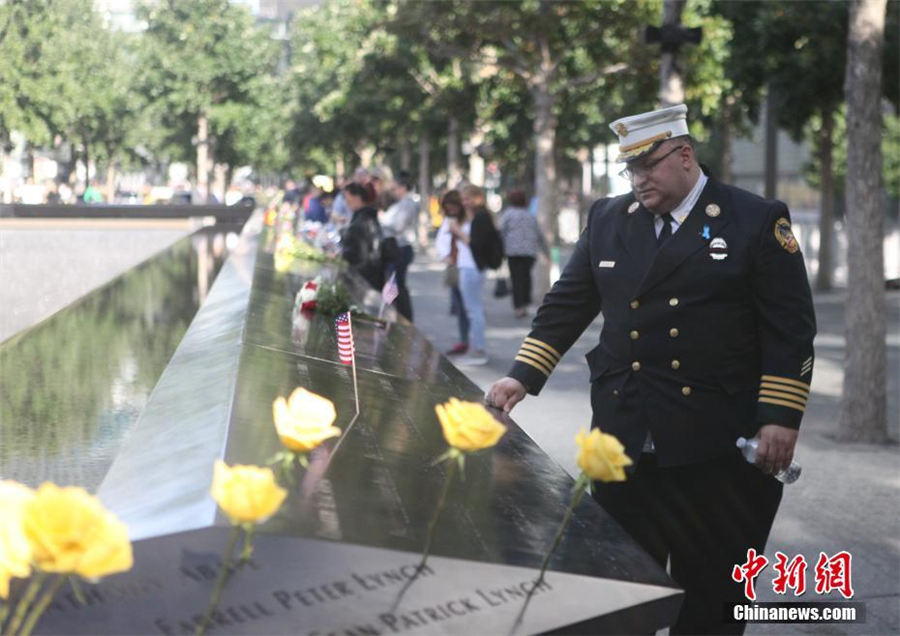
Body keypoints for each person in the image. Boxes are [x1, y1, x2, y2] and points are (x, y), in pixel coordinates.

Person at [486, 104, 816, 635]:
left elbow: (791, 328)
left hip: (716, 448)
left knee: (710, 603)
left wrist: (780, 416)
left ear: (685, 155)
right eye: (630, 169)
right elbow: (567, 304)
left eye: (649, 165)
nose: (638, 180)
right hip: (625, 441)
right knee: (620, 598)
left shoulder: (754, 219)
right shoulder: (609, 219)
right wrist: (521, 376)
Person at [448, 184, 500, 366]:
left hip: (472, 267)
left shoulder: (481, 217)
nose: (465, 203)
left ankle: (479, 349)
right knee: (473, 309)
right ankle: (476, 348)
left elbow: (476, 244)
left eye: (468, 199)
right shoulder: (477, 217)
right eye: (463, 199)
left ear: (478, 198)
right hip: (468, 266)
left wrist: (458, 232)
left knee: (473, 309)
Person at [499, 188, 547, 318]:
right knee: (526, 278)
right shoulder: (530, 215)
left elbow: (501, 232)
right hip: (529, 252)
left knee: (516, 279)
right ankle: (525, 304)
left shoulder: (508, 214)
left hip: (513, 252)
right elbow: (539, 234)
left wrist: (500, 250)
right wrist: (545, 251)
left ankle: (518, 307)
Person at [435, 190, 469, 355]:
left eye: (454, 206)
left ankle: (469, 341)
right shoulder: (448, 221)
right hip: (453, 266)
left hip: (466, 266)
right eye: (448, 207)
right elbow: (441, 241)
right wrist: (445, 256)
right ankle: (464, 340)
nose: (451, 210)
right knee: (460, 306)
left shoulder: (466, 221)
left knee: (467, 308)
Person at [380, 176, 419, 321]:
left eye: (395, 188)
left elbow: (398, 226)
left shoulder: (407, 204)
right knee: (395, 284)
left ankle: (403, 318)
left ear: (403, 187)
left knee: (397, 285)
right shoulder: (401, 203)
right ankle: (400, 317)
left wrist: (382, 221)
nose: (393, 192)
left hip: (401, 247)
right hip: (398, 247)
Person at [340, 182, 384, 290]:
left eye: (347, 198)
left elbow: (361, 256)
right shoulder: (367, 217)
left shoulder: (363, 221)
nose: (346, 202)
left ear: (357, 197)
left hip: (365, 280)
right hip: (370, 278)